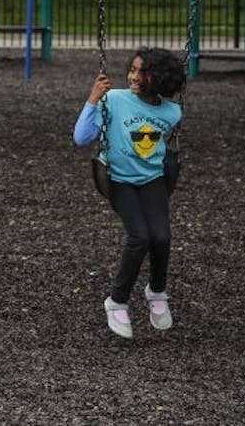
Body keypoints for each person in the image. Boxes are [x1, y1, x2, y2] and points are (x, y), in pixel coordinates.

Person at [73, 47, 185, 340]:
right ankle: (117, 300)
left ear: (159, 78)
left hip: (152, 180)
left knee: (161, 236)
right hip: (119, 180)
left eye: (141, 72)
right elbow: (81, 138)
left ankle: (157, 292)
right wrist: (93, 98)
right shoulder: (114, 99)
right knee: (140, 236)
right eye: (132, 70)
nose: (133, 76)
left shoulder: (172, 112)